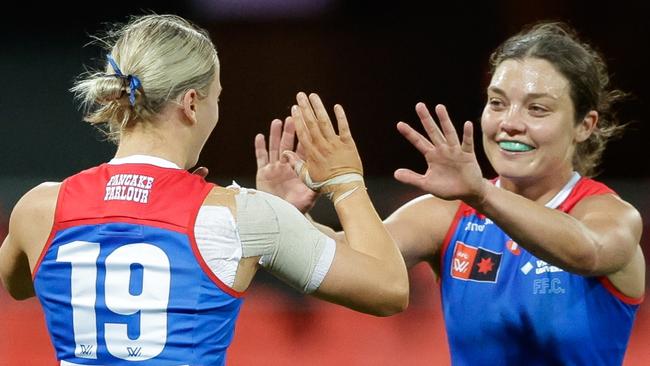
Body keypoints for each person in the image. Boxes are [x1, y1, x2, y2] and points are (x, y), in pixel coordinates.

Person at [0, 14, 409, 365]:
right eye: (218, 97)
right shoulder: (238, 216)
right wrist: (344, 181)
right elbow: (389, 289)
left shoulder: (39, 208)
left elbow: (19, 284)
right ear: (192, 103)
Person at [255, 21, 645, 365]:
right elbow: (352, 261)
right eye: (497, 103)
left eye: (537, 109)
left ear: (585, 125)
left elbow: (587, 251)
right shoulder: (445, 216)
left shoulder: (611, 216)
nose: (510, 123)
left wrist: (482, 196)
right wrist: (287, 217)